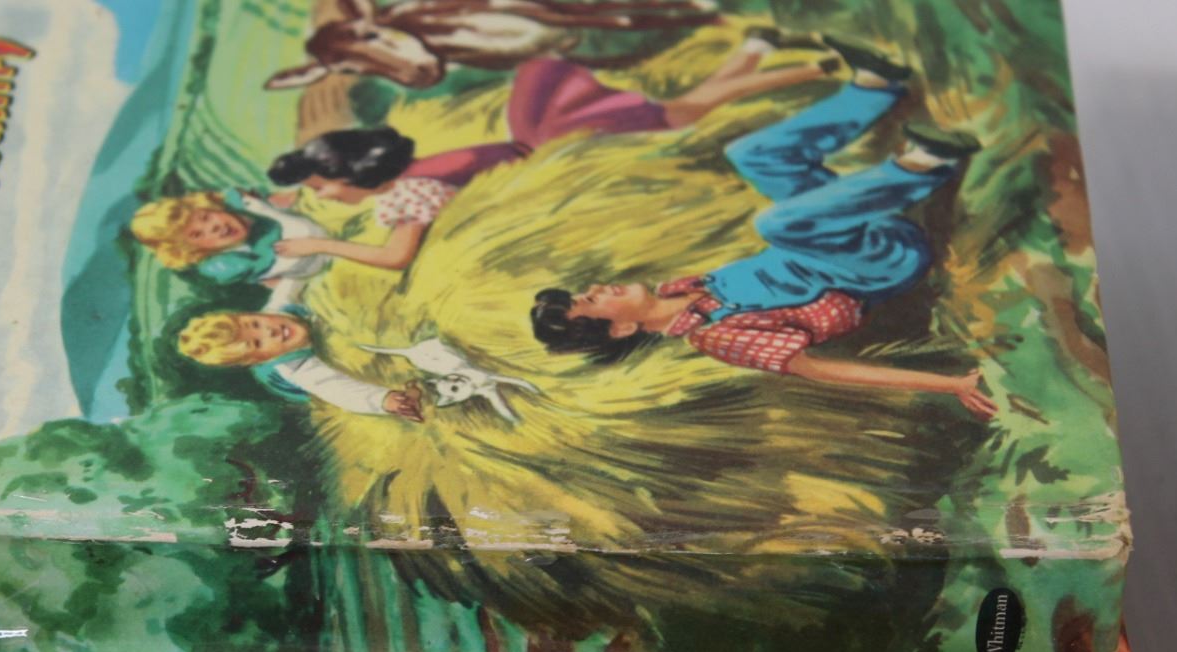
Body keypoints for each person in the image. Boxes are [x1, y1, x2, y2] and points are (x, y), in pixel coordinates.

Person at [531, 38, 997, 418]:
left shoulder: (685, 289)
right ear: (621, 328)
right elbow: (820, 371)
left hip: (848, 236)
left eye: (584, 291)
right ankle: (926, 163)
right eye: (590, 301)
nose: (597, 288)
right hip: (879, 267)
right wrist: (950, 385)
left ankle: (876, 87)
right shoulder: (716, 337)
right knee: (777, 224)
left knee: (753, 156)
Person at [270, 31, 837, 273]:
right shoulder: (417, 173)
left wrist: (319, 244)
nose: (325, 195)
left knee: (683, 111)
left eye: (322, 186)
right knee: (683, 109)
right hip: (547, 134)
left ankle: (813, 65)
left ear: (353, 173)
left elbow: (396, 258)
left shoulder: (411, 192)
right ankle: (760, 48)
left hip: (564, 148)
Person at [177, 307, 427, 421]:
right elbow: (337, 389)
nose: (269, 332)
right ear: (259, 359)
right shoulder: (295, 368)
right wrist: (384, 400)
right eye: (257, 343)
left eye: (255, 324)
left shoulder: (283, 308)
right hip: (310, 379)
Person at [129, 187, 331, 307]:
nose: (214, 228)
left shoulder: (247, 203)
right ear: (195, 251)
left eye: (205, 217)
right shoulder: (229, 264)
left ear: (213, 207)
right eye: (197, 234)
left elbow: (298, 198)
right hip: (320, 268)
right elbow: (283, 285)